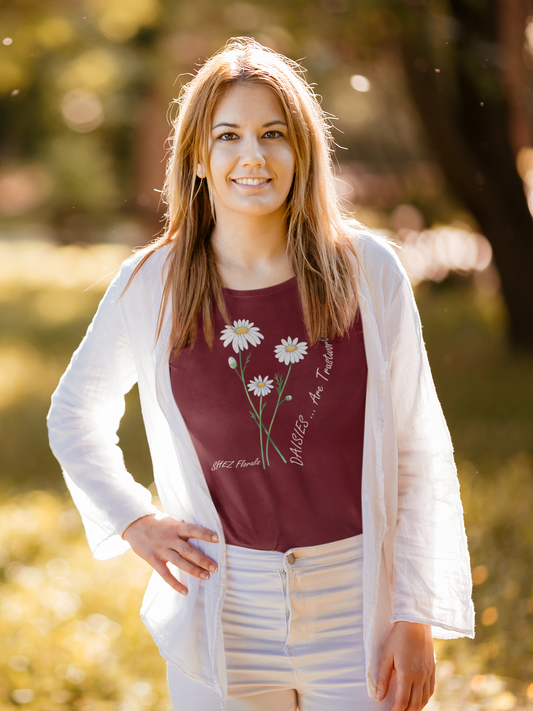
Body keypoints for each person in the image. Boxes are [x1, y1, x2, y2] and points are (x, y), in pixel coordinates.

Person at [47, 37, 474, 711]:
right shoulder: (151, 283)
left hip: (356, 603)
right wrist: (133, 520)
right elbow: (73, 413)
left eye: (273, 133)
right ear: (197, 156)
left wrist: (413, 611)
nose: (252, 155)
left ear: (302, 149)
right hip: (222, 602)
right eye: (228, 136)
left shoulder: (368, 272)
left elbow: (416, 450)